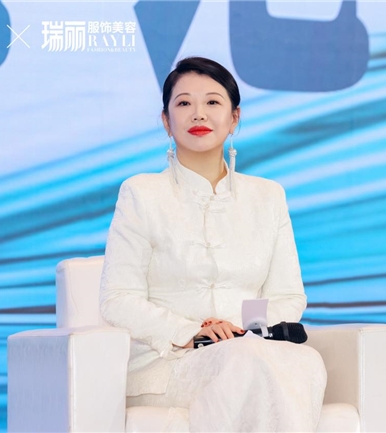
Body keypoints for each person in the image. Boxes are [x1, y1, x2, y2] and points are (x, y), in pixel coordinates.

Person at [99, 56, 327, 432]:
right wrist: (190, 331)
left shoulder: (268, 197)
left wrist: (238, 328)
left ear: (234, 118)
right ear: (166, 120)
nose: (199, 114)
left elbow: (288, 296)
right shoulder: (141, 193)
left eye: (212, 102)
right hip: (169, 363)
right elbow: (117, 299)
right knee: (245, 364)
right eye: (184, 103)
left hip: (251, 348)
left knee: (305, 362)